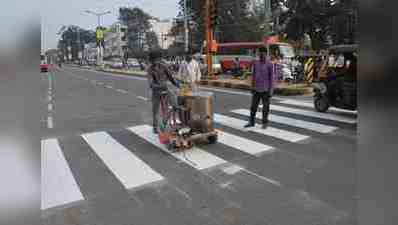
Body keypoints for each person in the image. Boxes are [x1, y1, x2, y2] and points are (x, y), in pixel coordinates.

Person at [147, 50, 180, 134]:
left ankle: (164, 122)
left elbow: (171, 77)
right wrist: (157, 86)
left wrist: (178, 85)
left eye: (158, 59)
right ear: (151, 60)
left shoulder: (163, 66)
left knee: (175, 105)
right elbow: (150, 83)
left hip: (165, 90)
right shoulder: (150, 69)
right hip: (156, 92)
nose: (157, 61)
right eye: (154, 60)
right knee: (155, 111)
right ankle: (155, 127)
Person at [244, 47, 274, 129]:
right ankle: (251, 122)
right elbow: (253, 75)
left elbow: (272, 78)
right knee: (253, 107)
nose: (261, 55)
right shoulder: (256, 63)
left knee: (265, 108)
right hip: (256, 89)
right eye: (259, 53)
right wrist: (252, 86)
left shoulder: (270, 64)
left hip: (266, 89)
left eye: (262, 53)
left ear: (266, 54)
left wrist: (271, 90)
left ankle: (264, 123)